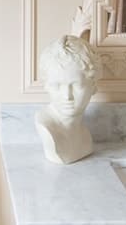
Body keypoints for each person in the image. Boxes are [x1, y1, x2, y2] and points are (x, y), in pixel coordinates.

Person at [35, 35, 99, 164]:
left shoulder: (84, 134)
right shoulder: (47, 129)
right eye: (57, 86)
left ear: (93, 87)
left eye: (76, 85)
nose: (67, 96)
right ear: (46, 86)